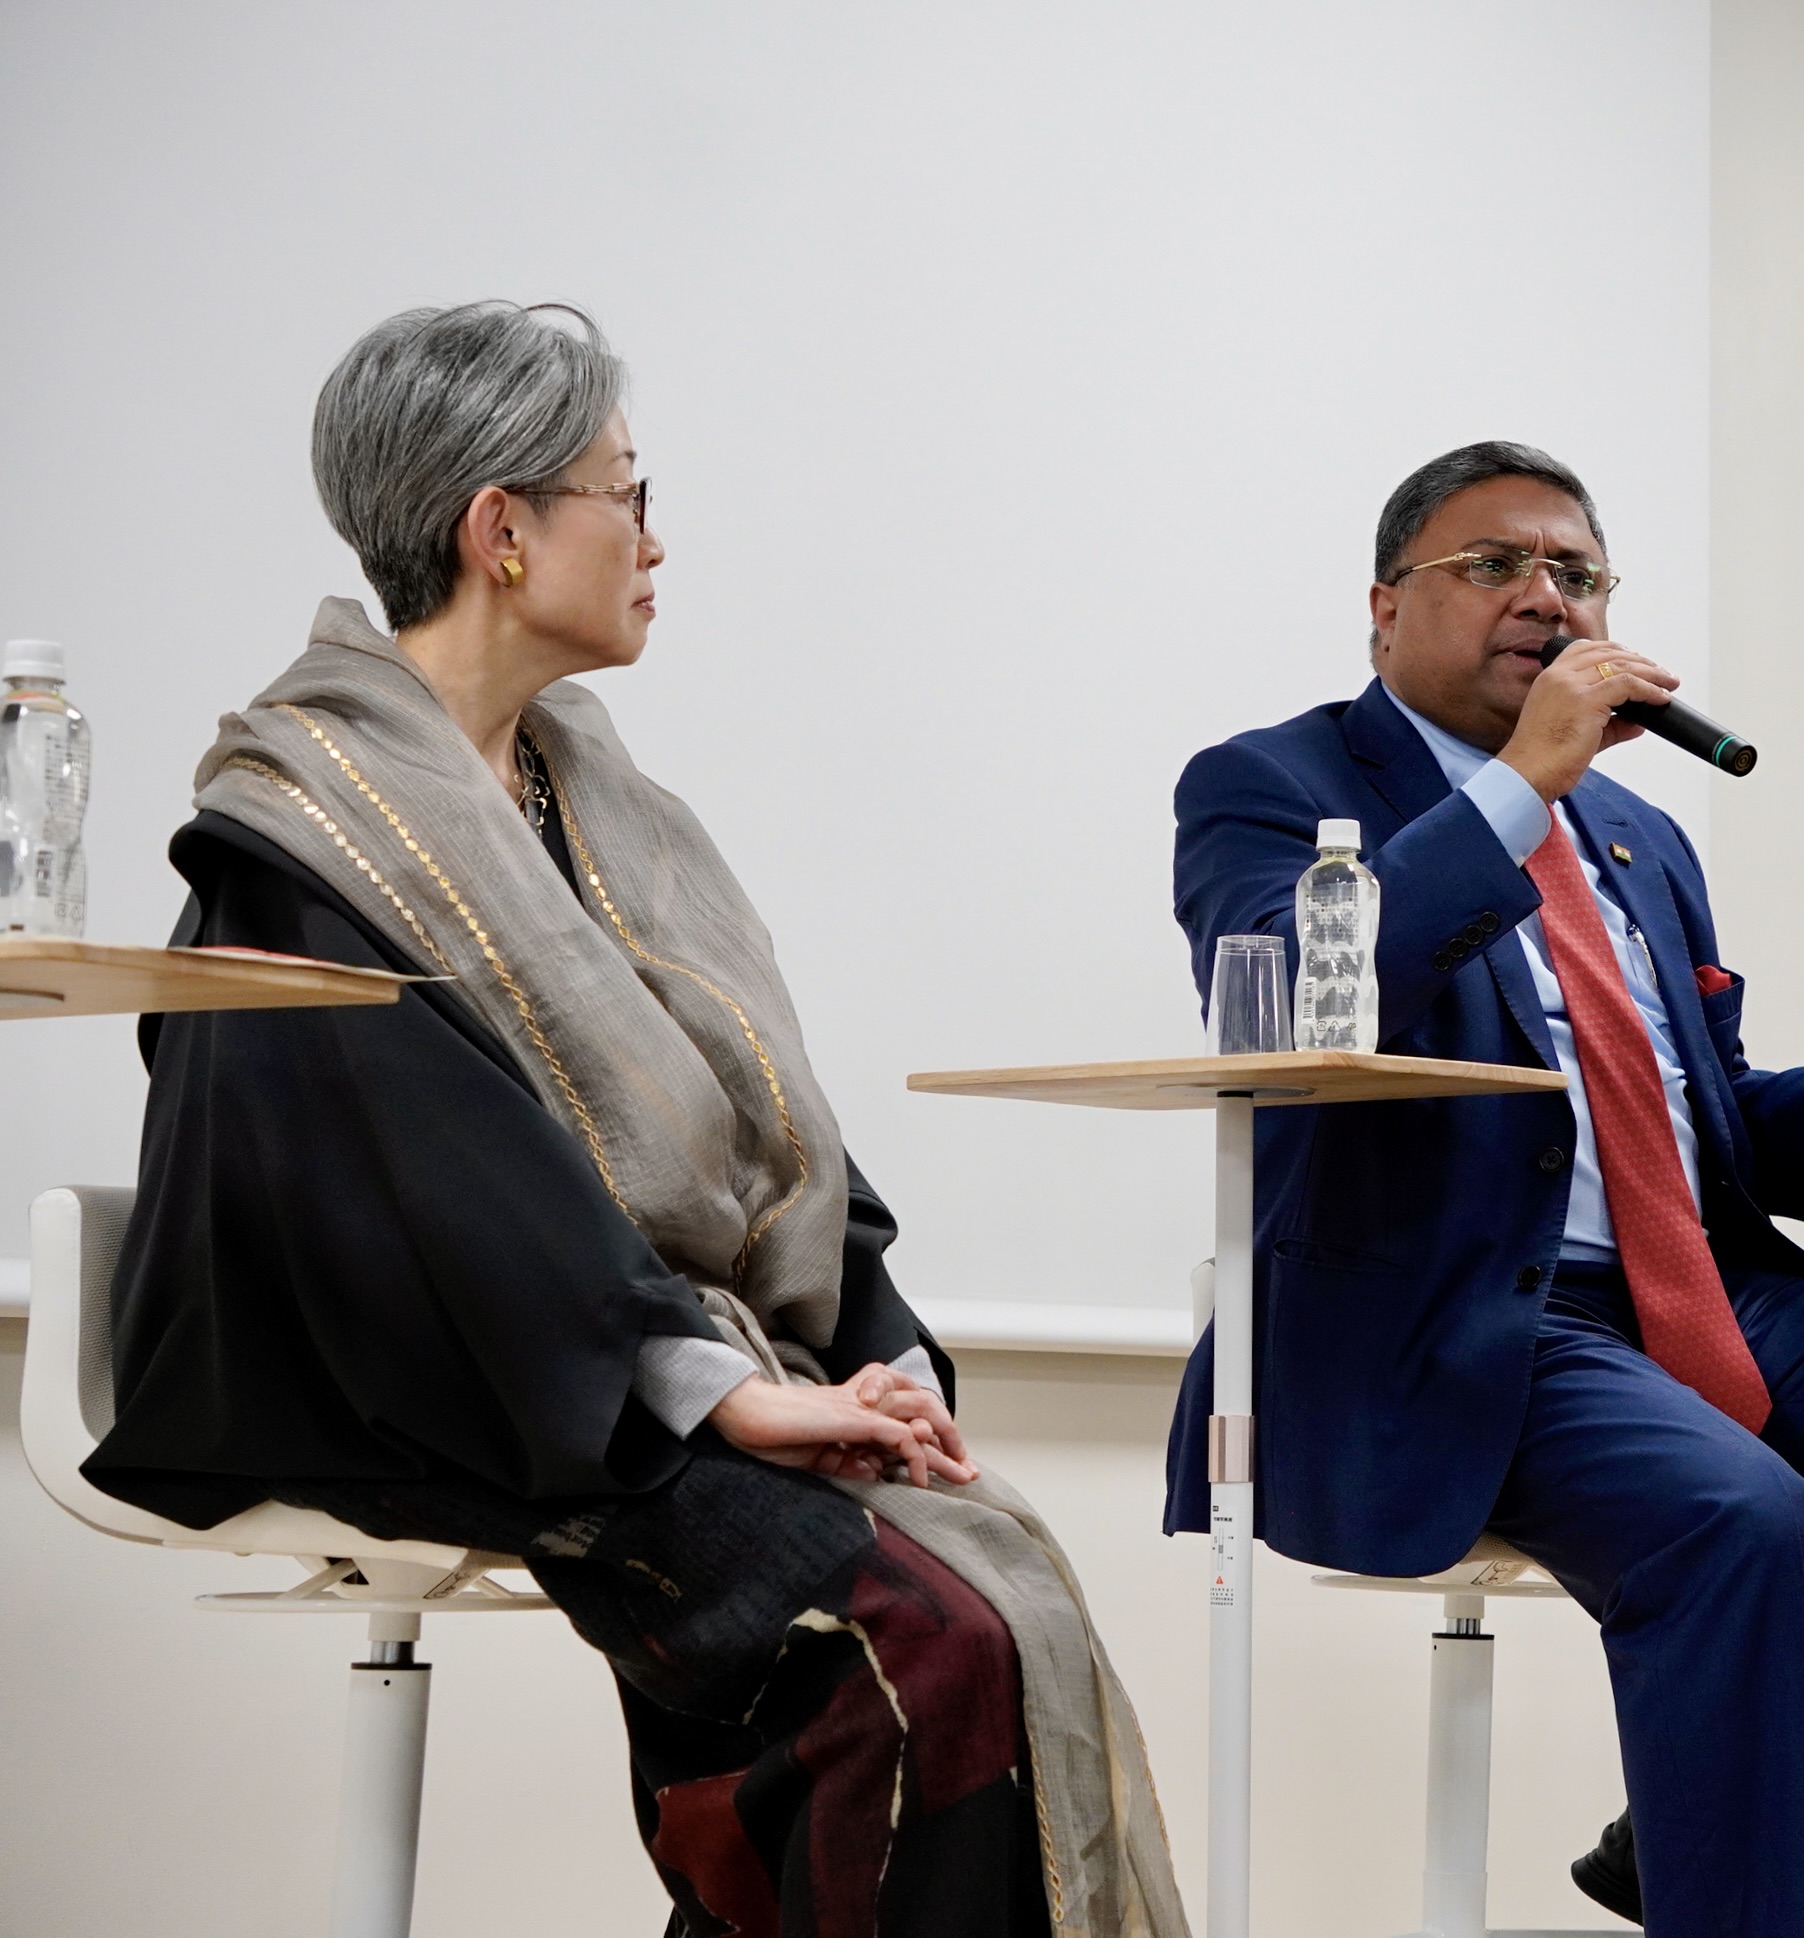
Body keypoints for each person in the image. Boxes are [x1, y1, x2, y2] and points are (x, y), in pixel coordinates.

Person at [84, 303, 1186, 1938]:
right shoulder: (305, 832)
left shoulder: (596, 803)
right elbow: (432, 1196)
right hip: (428, 1369)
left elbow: (769, 1125)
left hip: (621, 1359)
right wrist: (716, 1392)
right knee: (901, 1649)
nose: (660, 541)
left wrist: (876, 1357)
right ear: (503, 530)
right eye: (630, 493)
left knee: (999, 1615)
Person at [1164, 441, 1804, 1936]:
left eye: (1578, 575)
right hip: (1463, 1319)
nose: (1545, 596)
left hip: (1693, 1290)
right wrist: (1521, 784)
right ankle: (1727, 1818)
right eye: (1497, 567)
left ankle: (1700, 1806)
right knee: (1739, 1509)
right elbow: (1292, 1014)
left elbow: (1700, 1120)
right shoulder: (1269, 783)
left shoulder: (1642, 837)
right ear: (1385, 607)